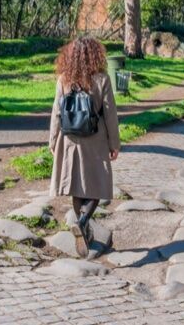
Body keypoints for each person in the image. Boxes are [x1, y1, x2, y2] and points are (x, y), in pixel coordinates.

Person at [49, 36, 120, 256]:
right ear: (95, 55)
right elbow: (110, 114)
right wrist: (114, 143)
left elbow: (56, 113)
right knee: (97, 186)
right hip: (95, 139)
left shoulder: (63, 79)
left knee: (76, 186)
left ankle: (83, 227)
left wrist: (53, 141)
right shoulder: (102, 79)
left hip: (70, 140)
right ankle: (82, 222)